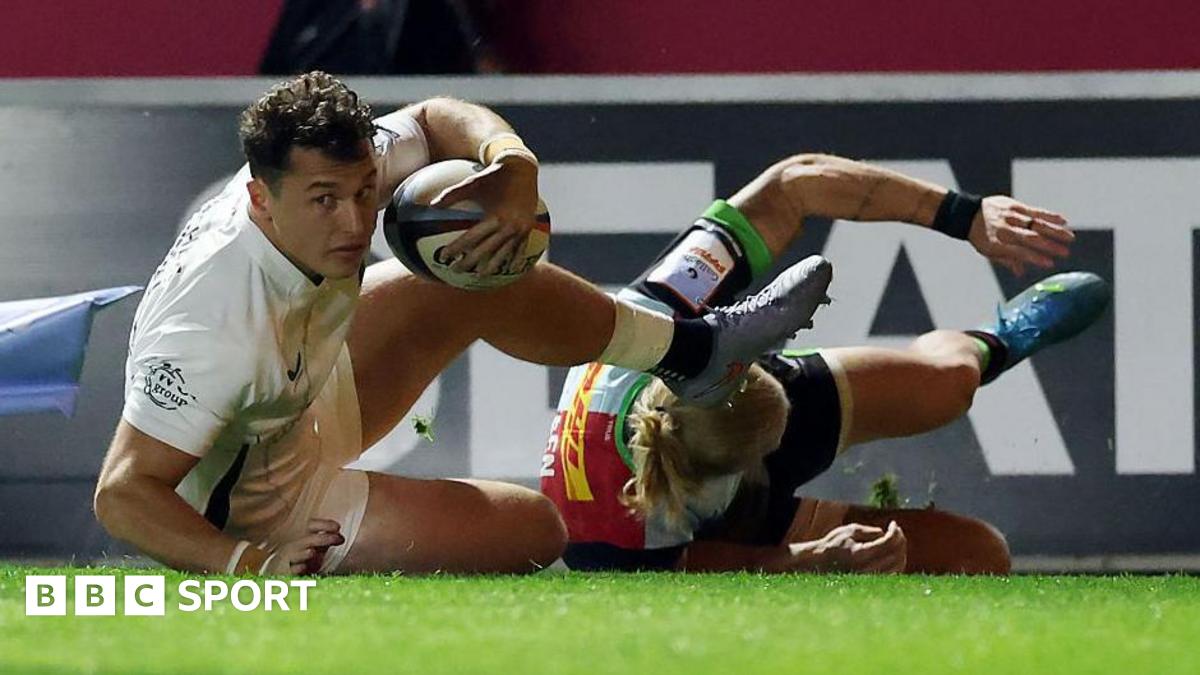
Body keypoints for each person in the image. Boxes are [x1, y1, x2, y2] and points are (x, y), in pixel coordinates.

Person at [93, 71, 832, 575]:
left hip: (300, 397)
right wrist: (247, 565)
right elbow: (123, 493)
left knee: (466, 268)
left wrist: (511, 162)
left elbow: (430, 116)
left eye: (361, 192)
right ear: (260, 201)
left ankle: (693, 352)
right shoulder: (209, 326)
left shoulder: (332, 173)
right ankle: (277, 546)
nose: (355, 220)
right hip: (261, 507)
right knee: (538, 529)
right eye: (325, 200)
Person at [540, 153, 1108, 574]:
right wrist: (806, 558)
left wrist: (966, 215)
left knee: (949, 387)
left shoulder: (658, 309)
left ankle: (995, 342)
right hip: (720, 521)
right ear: (731, 473)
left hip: (716, 428)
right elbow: (690, 570)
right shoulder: (607, 532)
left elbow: (794, 183)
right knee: (979, 555)